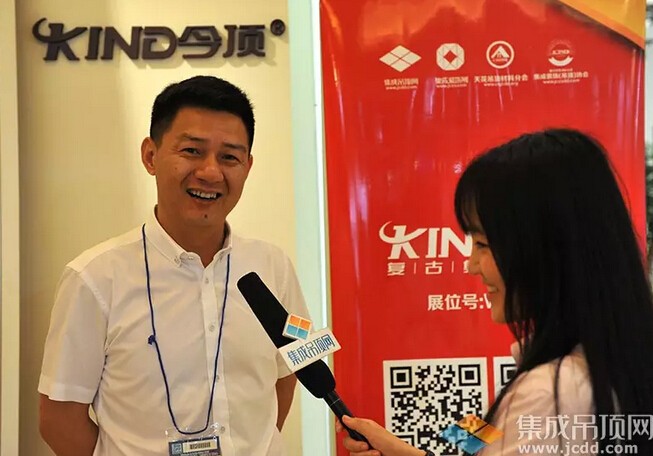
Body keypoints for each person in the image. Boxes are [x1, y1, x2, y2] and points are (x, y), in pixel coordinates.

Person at [38, 75, 310, 456]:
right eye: (192, 151)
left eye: (229, 157)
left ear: (247, 167)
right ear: (150, 156)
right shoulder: (94, 278)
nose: (211, 172)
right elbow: (59, 419)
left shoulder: (273, 267)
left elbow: (288, 372)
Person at [337, 129, 653, 456]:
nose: (471, 265)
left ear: (545, 248)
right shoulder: (606, 360)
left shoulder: (549, 391)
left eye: (482, 244)